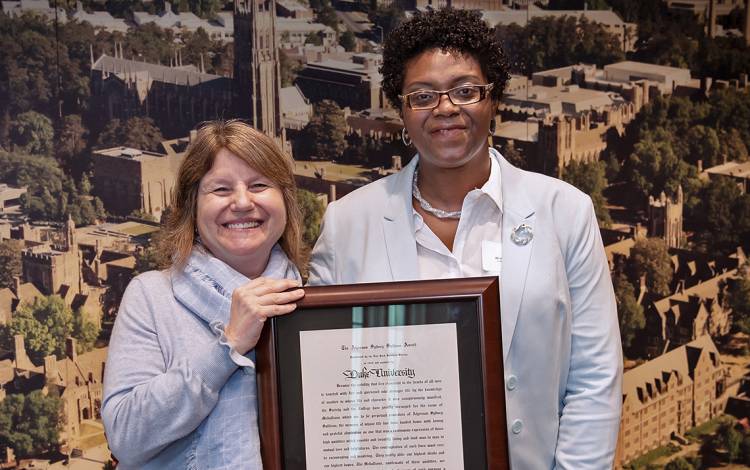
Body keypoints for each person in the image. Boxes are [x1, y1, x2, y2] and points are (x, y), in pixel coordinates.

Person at [308, 8, 622, 469]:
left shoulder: (566, 212)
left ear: (493, 100)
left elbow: (595, 377)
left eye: (465, 90)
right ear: (401, 109)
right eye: (422, 95)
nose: (445, 108)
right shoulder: (346, 222)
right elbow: (325, 376)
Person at [102, 120, 305, 469]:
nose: (242, 202)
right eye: (221, 190)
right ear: (193, 208)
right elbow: (125, 435)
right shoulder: (151, 297)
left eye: (259, 185)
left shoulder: (314, 302)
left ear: (284, 201)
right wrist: (227, 346)